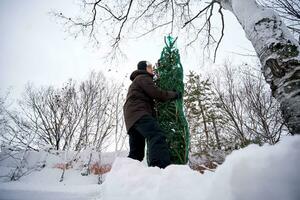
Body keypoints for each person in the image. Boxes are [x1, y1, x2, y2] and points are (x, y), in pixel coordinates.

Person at [123, 60, 181, 169]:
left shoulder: (136, 81)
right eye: (150, 67)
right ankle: (159, 167)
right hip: (139, 113)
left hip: (131, 119)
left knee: (137, 153)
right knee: (156, 135)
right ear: (144, 68)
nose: (152, 69)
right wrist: (174, 94)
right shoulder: (143, 78)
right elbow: (157, 93)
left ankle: (127, 174)